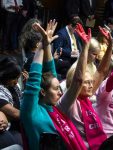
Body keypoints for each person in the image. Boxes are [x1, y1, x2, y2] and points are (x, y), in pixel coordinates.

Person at [21, 20, 87, 150]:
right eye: (56, 89)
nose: (60, 92)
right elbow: (34, 80)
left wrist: (46, 46)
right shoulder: (30, 112)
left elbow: (51, 72)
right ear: (43, 92)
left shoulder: (53, 108)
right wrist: (41, 47)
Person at [57, 24, 113, 150]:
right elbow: (78, 79)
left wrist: (110, 46)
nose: (91, 84)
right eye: (87, 82)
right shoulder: (68, 102)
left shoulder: (86, 96)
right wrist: (86, 47)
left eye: (91, 82)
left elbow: (102, 72)